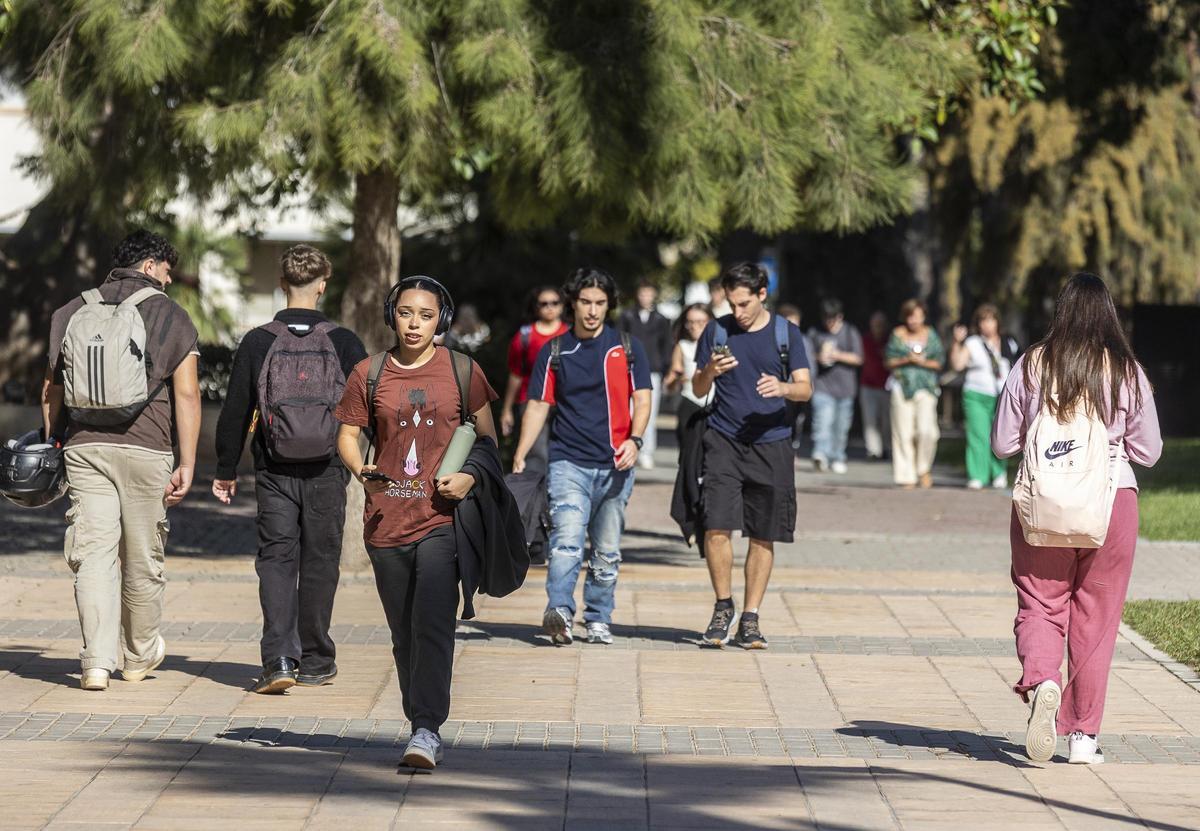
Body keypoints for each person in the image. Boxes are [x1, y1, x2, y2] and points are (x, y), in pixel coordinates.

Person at [991, 273, 1161, 765]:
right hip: (1111, 503)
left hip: (1042, 505)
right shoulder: (1126, 370)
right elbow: (1149, 451)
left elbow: (1003, 443)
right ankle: (1083, 737)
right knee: (1097, 619)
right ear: (1108, 313)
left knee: (1040, 603)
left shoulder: (1031, 364)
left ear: (1059, 310)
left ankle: (1044, 678)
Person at [335, 275, 498, 770]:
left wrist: (468, 478)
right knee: (403, 631)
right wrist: (359, 469)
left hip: (441, 520)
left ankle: (426, 727)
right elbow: (348, 435)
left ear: (441, 320)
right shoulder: (369, 372)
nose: (415, 324)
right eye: (406, 313)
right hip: (386, 520)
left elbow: (488, 441)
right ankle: (419, 717)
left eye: (426, 315)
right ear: (392, 315)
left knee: (432, 623)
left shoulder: (463, 371)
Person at [41, 229, 201, 691]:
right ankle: (139, 655)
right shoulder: (170, 315)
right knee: (143, 556)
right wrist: (187, 461)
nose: (169, 282)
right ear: (150, 266)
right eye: (167, 272)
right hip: (146, 447)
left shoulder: (70, 311)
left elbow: (51, 389)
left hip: (84, 447)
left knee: (91, 554)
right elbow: (187, 394)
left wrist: (54, 443)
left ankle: (95, 662)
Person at [212, 245, 366, 694]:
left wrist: (226, 467)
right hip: (328, 468)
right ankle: (317, 659)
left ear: (283, 284)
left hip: (273, 469)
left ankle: (279, 658)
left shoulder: (259, 340)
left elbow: (236, 409)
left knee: (277, 559)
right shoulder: (345, 342)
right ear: (323, 284)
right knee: (320, 560)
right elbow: (366, 408)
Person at [513, 267, 652, 646]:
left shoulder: (627, 347)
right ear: (572, 303)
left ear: (609, 306)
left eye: (600, 303)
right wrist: (521, 453)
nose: (592, 310)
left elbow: (642, 398)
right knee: (567, 541)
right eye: (585, 302)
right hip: (567, 462)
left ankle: (598, 617)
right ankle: (559, 610)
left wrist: (635, 440)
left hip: (615, 465)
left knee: (606, 550)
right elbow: (539, 404)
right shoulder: (555, 350)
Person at [692, 263, 811, 648]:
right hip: (723, 441)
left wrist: (783, 387)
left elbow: (806, 389)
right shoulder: (717, 330)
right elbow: (697, 387)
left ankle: (751, 617)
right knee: (716, 527)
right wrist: (709, 370)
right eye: (731, 303)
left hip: (772, 443)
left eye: (744, 303)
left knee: (763, 534)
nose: (737, 312)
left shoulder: (785, 333)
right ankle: (723, 605)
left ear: (762, 295)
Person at [949, 303, 1020, 490]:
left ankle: (999, 472)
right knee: (978, 435)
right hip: (976, 394)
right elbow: (957, 365)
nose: (987, 325)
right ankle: (977, 475)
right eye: (983, 321)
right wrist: (957, 342)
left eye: (990, 320)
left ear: (997, 322)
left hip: (1002, 395)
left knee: (1000, 435)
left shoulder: (1008, 342)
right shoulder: (972, 343)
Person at [498, 286, 569, 471]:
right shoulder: (524, 336)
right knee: (536, 455)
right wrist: (507, 410)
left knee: (562, 453)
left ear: (562, 306)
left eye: (554, 303)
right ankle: (537, 498)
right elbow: (515, 374)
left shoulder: (571, 335)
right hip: (530, 400)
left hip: (564, 402)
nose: (549, 307)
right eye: (544, 303)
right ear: (536, 307)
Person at [885, 299, 945, 489]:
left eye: (918, 316)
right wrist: (906, 359)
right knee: (903, 432)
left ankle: (923, 468)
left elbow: (939, 362)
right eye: (911, 316)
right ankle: (906, 475)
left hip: (926, 387)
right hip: (901, 386)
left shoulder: (931, 335)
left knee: (927, 431)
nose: (914, 321)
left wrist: (921, 362)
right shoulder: (897, 335)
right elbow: (888, 361)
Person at [617, 280, 673, 469]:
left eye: (649, 294)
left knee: (649, 410)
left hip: (653, 369)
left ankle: (647, 451)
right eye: (642, 293)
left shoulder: (662, 319)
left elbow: (666, 346)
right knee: (629, 409)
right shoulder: (626, 316)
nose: (645, 297)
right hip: (628, 367)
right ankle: (626, 446)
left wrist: (666, 370)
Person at [808, 299, 863, 474]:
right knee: (823, 421)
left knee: (841, 427)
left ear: (840, 317)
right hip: (823, 386)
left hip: (846, 389)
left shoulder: (849, 332)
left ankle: (838, 456)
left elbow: (859, 358)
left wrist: (837, 355)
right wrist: (819, 357)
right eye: (826, 319)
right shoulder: (815, 333)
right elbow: (806, 355)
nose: (829, 323)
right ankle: (821, 454)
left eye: (833, 319)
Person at [664, 303, 714, 455]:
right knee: (689, 454)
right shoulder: (683, 346)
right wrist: (676, 380)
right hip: (690, 403)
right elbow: (669, 384)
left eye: (701, 322)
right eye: (690, 322)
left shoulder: (720, 346)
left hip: (715, 405)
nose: (694, 326)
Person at [859, 311, 891, 461]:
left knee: (887, 420)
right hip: (868, 385)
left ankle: (886, 448)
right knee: (870, 420)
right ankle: (873, 450)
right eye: (875, 324)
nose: (878, 327)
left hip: (886, 386)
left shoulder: (890, 341)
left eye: (880, 324)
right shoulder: (865, 340)